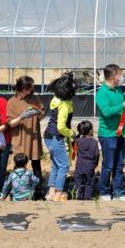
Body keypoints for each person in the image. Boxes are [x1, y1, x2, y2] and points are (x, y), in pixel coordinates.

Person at [96, 64, 125, 201]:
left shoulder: (118, 90)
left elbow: (121, 109)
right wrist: (123, 105)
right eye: (120, 75)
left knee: (119, 165)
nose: (122, 77)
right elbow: (106, 112)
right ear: (113, 77)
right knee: (108, 165)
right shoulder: (102, 93)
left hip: (120, 133)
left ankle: (118, 191)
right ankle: (104, 192)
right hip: (108, 135)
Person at [7, 76, 45, 198]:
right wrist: (21, 117)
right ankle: (16, 192)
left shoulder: (34, 98)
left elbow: (42, 115)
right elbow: (10, 123)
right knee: (19, 165)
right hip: (20, 138)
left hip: (33, 137)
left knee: (36, 164)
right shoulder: (12, 102)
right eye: (29, 88)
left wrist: (38, 113)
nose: (31, 90)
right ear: (22, 88)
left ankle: (38, 192)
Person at [43, 73, 76, 201]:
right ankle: (58, 193)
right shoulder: (64, 105)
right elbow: (61, 127)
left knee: (56, 165)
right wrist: (72, 133)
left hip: (48, 135)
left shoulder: (55, 99)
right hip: (56, 136)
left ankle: (51, 193)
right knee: (64, 165)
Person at [73, 121, 100, 200]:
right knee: (89, 183)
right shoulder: (94, 142)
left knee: (79, 182)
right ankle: (87, 197)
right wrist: (96, 164)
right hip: (90, 166)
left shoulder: (78, 141)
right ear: (91, 130)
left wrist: (79, 134)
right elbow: (96, 154)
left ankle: (79, 196)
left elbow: (73, 143)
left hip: (79, 165)